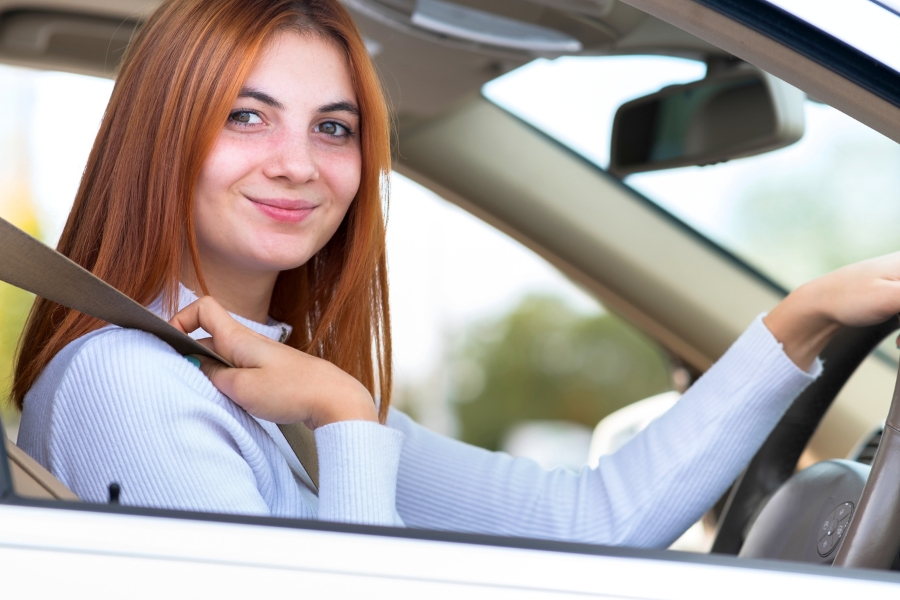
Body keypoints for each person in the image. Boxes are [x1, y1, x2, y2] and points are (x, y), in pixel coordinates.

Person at [12, 0, 900, 547]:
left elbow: (588, 521)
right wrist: (346, 418)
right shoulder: (131, 383)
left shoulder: (274, 388)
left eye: (333, 128)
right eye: (247, 116)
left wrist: (807, 315)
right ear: (161, 138)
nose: (298, 164)